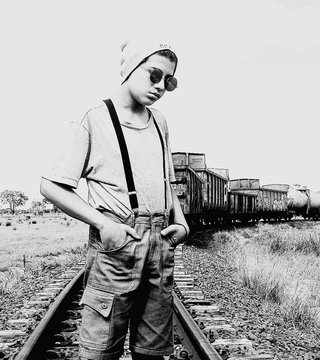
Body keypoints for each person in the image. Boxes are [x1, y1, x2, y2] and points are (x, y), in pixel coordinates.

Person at [40, 37, 189, 360]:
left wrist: (181, 221)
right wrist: (103, 223)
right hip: (117, 246)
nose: (161, 86)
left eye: (169, 81)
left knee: (152, 351)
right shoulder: (93, 118)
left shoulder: (160, 122)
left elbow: (167, 181)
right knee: (99, 352)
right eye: (154, 74)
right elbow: (51, 186)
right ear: (130, 67)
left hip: (159, 247)